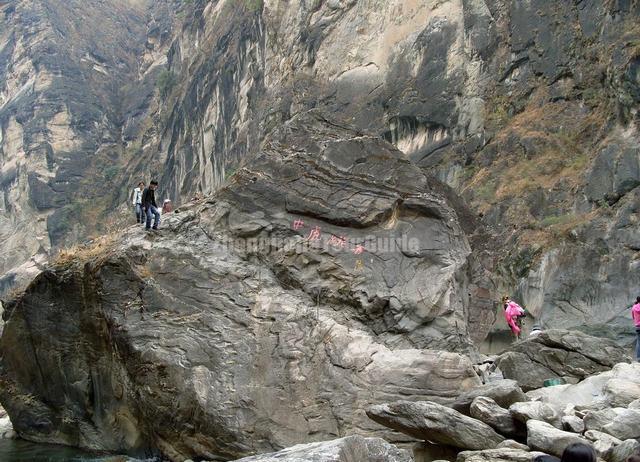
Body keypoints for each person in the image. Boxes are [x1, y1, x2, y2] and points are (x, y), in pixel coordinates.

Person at [633, 296, 640, 361]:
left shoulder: (634, 307)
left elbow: (633, 317)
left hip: (637, 326)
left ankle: (638, 358)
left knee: (638, 342)